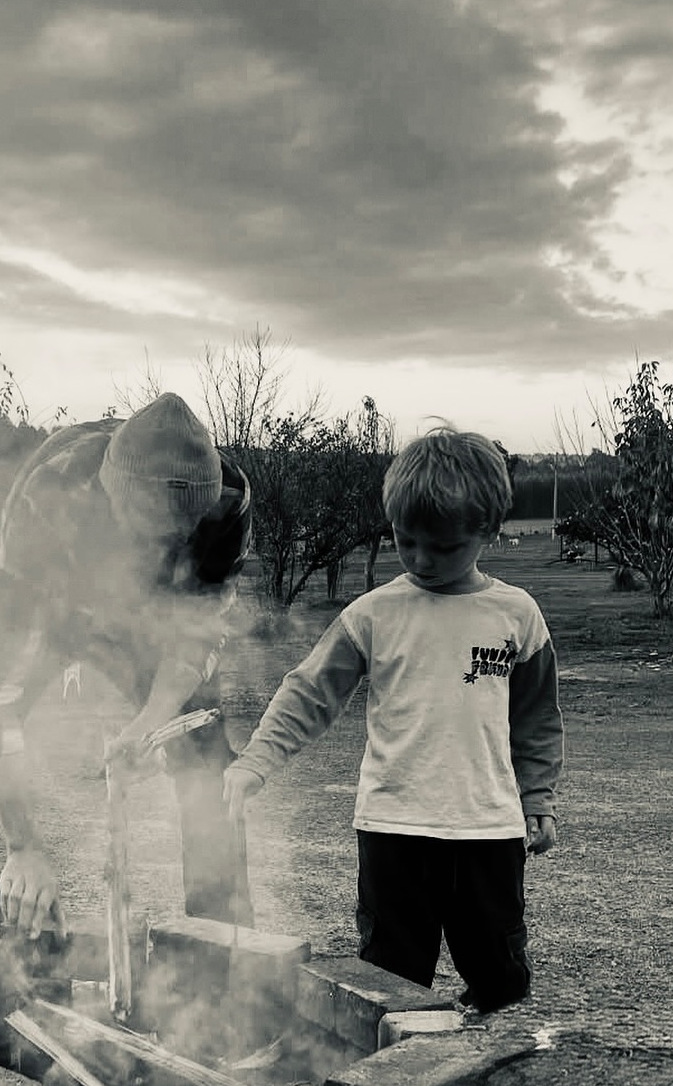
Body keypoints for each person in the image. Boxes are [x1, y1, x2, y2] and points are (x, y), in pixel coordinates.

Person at [224, 426, 562, 1013]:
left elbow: (536, 719)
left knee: (501, 978)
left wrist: (538, 799)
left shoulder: (518, 615)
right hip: (394, 831)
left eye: (444, 547)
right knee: (390, 984)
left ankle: (483, 1074)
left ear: (487, 530)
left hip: (489, 833)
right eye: (407, 542)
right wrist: (256, 761)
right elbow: (308, 693)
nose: (423, 560)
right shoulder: (373, 615)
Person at [0, 392, 253, 940]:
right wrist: (25, 844)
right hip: (42, 601)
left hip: (146, 619)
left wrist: (153, 716)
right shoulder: (50, 501)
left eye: (177, 535)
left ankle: (218, 940)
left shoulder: (229, 501)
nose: (160, 550)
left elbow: (197, 630)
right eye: (145, 530)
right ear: (109, 495)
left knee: (203, 748)